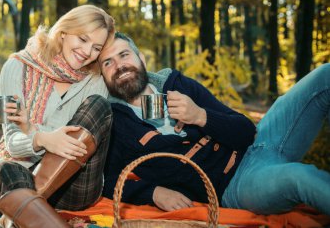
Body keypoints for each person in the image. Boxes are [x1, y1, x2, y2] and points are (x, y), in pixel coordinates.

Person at [98, 32, 330, 216]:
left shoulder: (177, 84)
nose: (119, 65)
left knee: (324, 76)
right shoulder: (116, 122)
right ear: (102, 77)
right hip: (237, 184)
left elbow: (247, 131)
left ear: (142, 60)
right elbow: (104, 182)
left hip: (261, 143)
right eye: (107, 62)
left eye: (124, 55)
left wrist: (200, 116)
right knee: (300, 177)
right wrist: (153, 193)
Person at [0, 5, 115, 228]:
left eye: (96, 47)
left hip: (74, 185)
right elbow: (12, 143)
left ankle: (21, 210)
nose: (87, 52)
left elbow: (81, 142)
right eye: (82, 39)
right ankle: (34, 212)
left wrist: (33, 130)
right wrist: (44, 139)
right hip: (23, 174)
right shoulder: (16, 67)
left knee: (99, 105)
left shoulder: (95, 80)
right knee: (5, 169)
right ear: (64, 32)